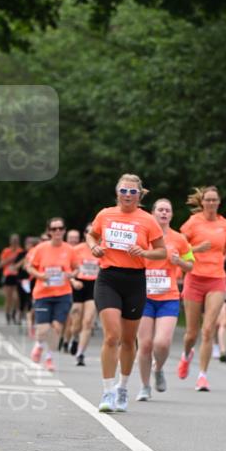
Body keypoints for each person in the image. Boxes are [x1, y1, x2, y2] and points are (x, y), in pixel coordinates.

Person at [87, 173, 166, 412]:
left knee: (129, 340)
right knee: (112, 336)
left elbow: (161, 252)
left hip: (134, 280)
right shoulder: (105, 214)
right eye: (124, 190)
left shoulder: (148, 220)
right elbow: (92, 234)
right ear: (117, 192)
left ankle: (123, 387)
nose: (128, 195)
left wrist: (143, 252)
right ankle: (107, 392)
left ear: (139, 195)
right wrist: (94, 247)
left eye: (133, 192)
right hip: (108, 278)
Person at [135, 199, 194, 400]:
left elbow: (190, 265)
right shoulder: (142, 237)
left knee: (162, 343)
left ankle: (158, 369)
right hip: (144, 296)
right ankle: (144, 387)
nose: (163, 213)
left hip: (168, 296)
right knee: (144, 345)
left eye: (167, 210)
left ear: (171, 215)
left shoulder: (179, 239)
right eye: (160, 209)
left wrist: (179, 262)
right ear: (152, 213)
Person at [178, 186, 226, 392]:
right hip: (194, 278)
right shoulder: (193, 223)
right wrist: (196, 249)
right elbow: (179, 248)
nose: (211, 203)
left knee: (208, 329)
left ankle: (202, 375)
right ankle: (186, 355)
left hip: (216, 280)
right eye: (207, 200)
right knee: (191, 333)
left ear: (219, 202)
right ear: (202, 203)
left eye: (214, 200)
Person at [26, 217, 77, 372]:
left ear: (64, 230)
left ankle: (49, 358)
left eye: (60, 228)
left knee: (56, 327)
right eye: (54, 229)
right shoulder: (41, 248)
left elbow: (76, 268)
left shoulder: (69, 249)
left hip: (63, 294)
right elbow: (29, 267)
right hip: (43, 294)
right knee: (43, 329)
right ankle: (39, 345)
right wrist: (40, 276)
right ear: (49, 231)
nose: (57, 231)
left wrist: (71, 274)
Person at [69, 225, 100, 366]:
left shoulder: (101, 249)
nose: (92, 234)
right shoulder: (76, 250)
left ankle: (80, 353)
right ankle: (75, 337)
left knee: (88, 321)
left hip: (93, 285)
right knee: (76, 322)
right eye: (88, 232)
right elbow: (67, 269)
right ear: (85, 234)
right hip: (78, 284)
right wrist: (73, 280)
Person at [0, 233, 25, 324]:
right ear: (10, 241)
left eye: (16, 240)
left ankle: (14, 311)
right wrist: (11, 259)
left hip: (17, 275)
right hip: (8, 274)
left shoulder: (21, 251)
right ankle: (7, 314)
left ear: (18, 241)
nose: (14, 242)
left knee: (16, 297)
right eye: (13, 240)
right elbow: (2, 263)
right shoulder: (6, 251)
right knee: (8, 297)